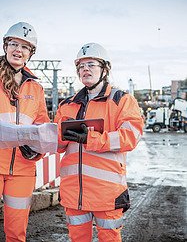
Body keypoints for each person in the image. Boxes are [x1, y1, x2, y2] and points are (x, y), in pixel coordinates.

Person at [54, 42, 144, 242]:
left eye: (91, 64)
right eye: (81, 66)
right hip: (73, 194)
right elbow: (58, 146)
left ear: (105, 69)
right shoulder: (66, 105)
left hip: (106, 193)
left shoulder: (122, 101)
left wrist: (91, 138)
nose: (85, 69)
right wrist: (58, 133)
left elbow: (131, 136)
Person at [0, 22, 50, 242]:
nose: (18, 50)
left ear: (30, 53)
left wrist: (37, 150)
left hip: (22, 168)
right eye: (13, 44)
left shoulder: (36, 88)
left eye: (25, 47)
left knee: (17, 232)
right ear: (5, 47)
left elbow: (42, 126)